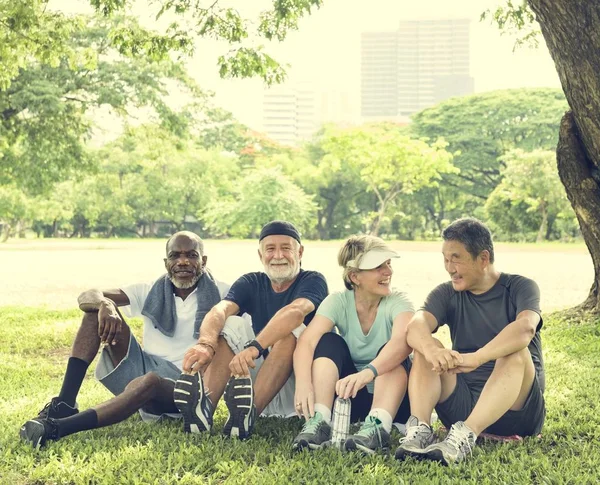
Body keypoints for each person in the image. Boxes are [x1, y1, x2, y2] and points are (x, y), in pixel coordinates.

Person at [20, 231, 228, 448]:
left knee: (150, 381)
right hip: (143, 369)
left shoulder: (222, 293)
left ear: (203, 260)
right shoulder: (149, 290)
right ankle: (64, 403)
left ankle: (56, 428)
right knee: (94, 311)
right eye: (175, 255)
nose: (183, 261)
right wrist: (105, 304)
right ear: (166, 262)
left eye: (191, 255)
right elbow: (88, 294)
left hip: (185, 387)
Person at [395, 217, 545, 465]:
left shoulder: (520, 287)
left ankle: (465, 437)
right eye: (445, 259)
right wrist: (432, 349)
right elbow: (416, 326)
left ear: (483, 258)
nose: (449, 267)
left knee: (517, 351)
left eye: (456, 258)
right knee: (425, 347)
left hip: (516, 410)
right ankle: (420, 430)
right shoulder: (447, 292)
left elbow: (525, 329)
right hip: (461, 404)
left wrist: (477, 358)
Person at [176, 220, 328, 440]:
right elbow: (220, 310)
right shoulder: (251, 281)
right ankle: (204, 408)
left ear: (300, 252)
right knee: (231, 324)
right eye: (270, 249)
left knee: (293, 330)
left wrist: (255, 347)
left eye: (286, 248)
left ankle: (248, 414)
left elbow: (295, 312)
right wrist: (205, 344)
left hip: (298, 388)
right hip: (258, 381)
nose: (278, 255)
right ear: (260, 255)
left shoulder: (313, 280)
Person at [292, 235, 414, 454]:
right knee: (329, 340)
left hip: (395, 402)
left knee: (390, 351)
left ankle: (377, 428)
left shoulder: (398, 301)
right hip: (351, 400)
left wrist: (367, 373)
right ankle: (320, 420)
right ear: (354, 276)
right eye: (378, 266)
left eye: (388, 264)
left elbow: (403, 344)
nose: (388, 271)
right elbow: (307, 342)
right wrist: (303, 383)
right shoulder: (338, 301)